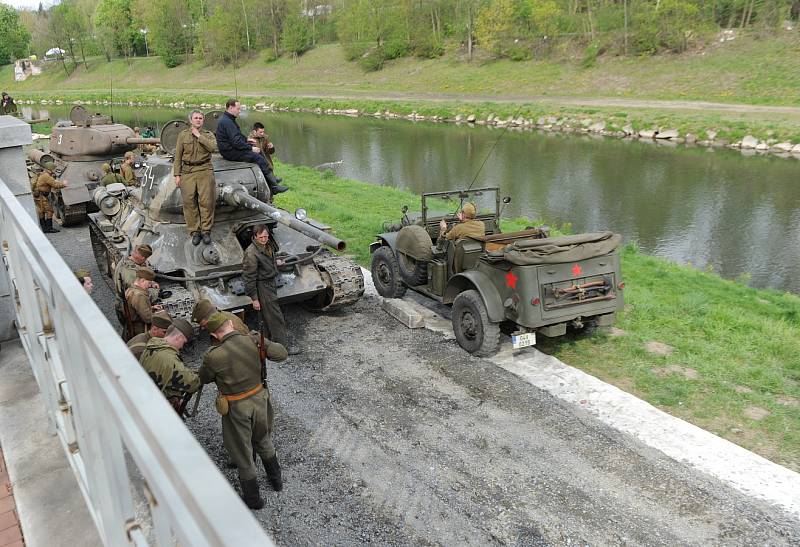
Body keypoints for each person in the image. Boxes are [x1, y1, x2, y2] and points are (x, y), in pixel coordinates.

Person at [199, 312, 288, 508]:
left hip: (237, 407)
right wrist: (266, 346)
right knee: (263, 439)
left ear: (214, 335)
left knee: (243, 452)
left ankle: (253, 500)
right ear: (231, 323)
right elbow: (282, 354)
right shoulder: (255, 340)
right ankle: (276, 481)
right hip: (260, 399)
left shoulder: (213, 356)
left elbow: (203, 378)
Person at [242, 224, 299, 355]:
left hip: (270, 283)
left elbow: (267, 259)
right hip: (263, 287)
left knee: (266, 317)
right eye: (261, 237)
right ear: (255, 237)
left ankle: (266, 344)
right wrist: (254, 299)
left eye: (266, 236)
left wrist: (276, 263)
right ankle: (282, 348)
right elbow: (249, 278)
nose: (264, 239)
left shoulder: (266, 246)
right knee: (275, 317)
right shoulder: (251, 253)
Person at [215, 98, 287, 195]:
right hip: (229, 152)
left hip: (230, 148)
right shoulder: (227, 122)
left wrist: (247, 140)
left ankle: (272, 179)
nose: (239, 111)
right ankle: (274, 187)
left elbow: (237, 136)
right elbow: (236, 141)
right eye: (238, 109)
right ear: (231, 108)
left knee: (259, 152)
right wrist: (250, 148)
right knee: (257, 156)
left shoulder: (228, 119)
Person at [174, 110, 218, 246]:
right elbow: (178, 156)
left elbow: (213, 148)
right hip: (188, 171)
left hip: (205, 170)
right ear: (191, 120)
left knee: (207, 202)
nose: (198, 120)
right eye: (196, 118)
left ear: (203, 120)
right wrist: (177, 174)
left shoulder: (208, 135)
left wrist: (199, 136)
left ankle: (206, 231)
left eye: (200, 118)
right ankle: (195, 231)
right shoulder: (183, 135)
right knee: (189, 202)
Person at [139, 318, 200, 413]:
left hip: (145, 400)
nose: (182, 346)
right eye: (183, 342)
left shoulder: (151, 346)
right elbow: (193, 383)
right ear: (179, 337)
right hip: (159, 410)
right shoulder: (169, 359)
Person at [124, 267, 160, 340]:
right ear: (142, 280)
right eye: (149, 283)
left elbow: (135, 308)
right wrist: (159, 313)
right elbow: (148, 319)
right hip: (140, 329)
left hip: (131, 325)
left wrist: (151, 308)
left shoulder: (130, 289)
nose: (149, 286)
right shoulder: (139, 296)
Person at [32, 161, 67, 234]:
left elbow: (52, 181)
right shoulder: (46, 176)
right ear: (49, 169)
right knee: (49, 211)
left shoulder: (43, 174)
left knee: (41, 211)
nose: (54, 170)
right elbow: (55, 185)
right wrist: (64, 184)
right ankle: (49, 228)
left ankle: (44, 228)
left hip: (38, 195)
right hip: (41, 196)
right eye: (53, 169)